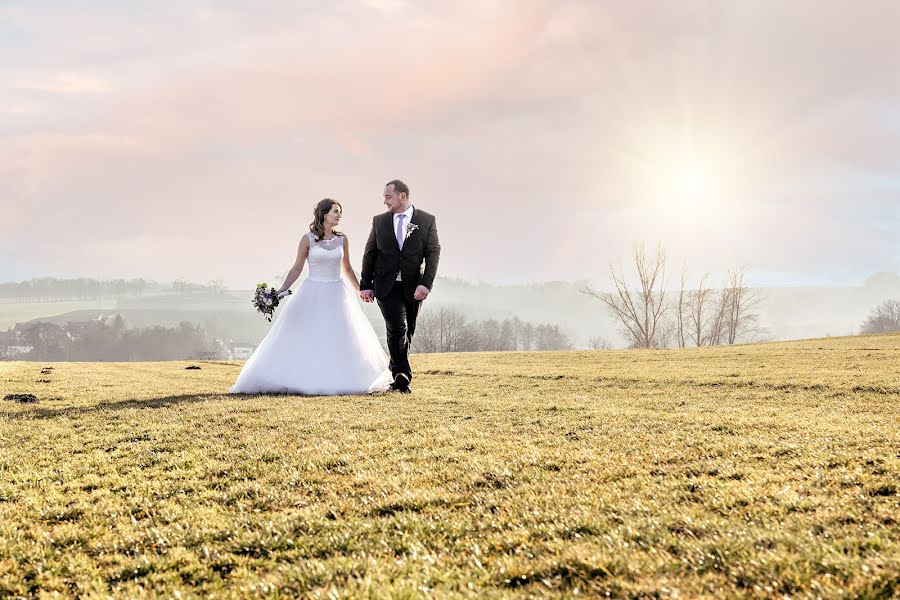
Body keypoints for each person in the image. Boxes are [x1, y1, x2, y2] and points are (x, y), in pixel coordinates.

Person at [230, 199, 392, 395]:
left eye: (340, 212)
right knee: (305, 335)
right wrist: (282, 290)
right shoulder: (307, 239)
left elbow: (347, 268)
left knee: (338, 336)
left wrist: (359, 289)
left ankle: (339, 377)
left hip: (337, 293)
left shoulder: (342, 239)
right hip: (312, 292)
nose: (339, 215)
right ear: (324, 214)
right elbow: (297, 268)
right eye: (335, 211)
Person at [360, 180, 441, 393]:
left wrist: (426, 284)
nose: (385, 201)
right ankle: (403, 375)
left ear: (402, 196)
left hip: (414, 287)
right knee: (397, 327)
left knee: (408, 331)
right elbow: (370, 253)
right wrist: (365, 284)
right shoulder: (379, 222)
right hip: (385, 286)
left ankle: (394, 372)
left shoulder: (426, 220)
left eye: (388, 196)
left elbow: (433, 254)